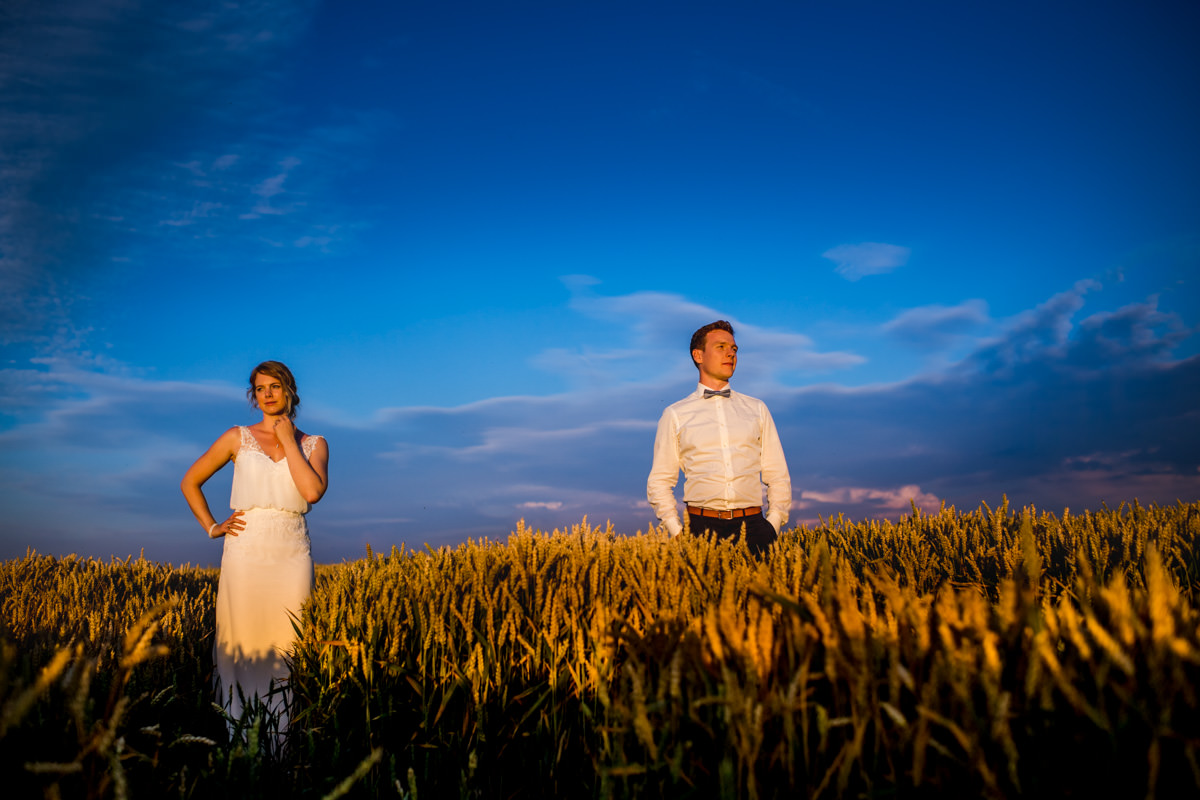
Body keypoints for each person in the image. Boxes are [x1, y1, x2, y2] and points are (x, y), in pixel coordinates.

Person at [181, 360, 329, 733]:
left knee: (288, 645)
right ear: (253, 395)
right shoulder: (237, 437)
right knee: (242, 642)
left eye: (275, 386)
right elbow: (190, 482)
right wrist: (213, 526)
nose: (267, 394)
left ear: (290, 391)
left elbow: (311, 492)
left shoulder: (314, 444)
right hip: (245, 552)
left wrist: (286, 439)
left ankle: (279, 742)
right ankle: (240, 739)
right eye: (260, 388)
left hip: (291, 553)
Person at [647, 320, 790, 555]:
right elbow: (660, 480)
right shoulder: (675, 414)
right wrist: (677, 532)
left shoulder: (757, 409)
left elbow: (777, 473)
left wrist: (773, 524)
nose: (730, 353)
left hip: (754, 528)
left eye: (734, 349)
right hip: (700, 530)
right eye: (721, 347)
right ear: (698, 355)